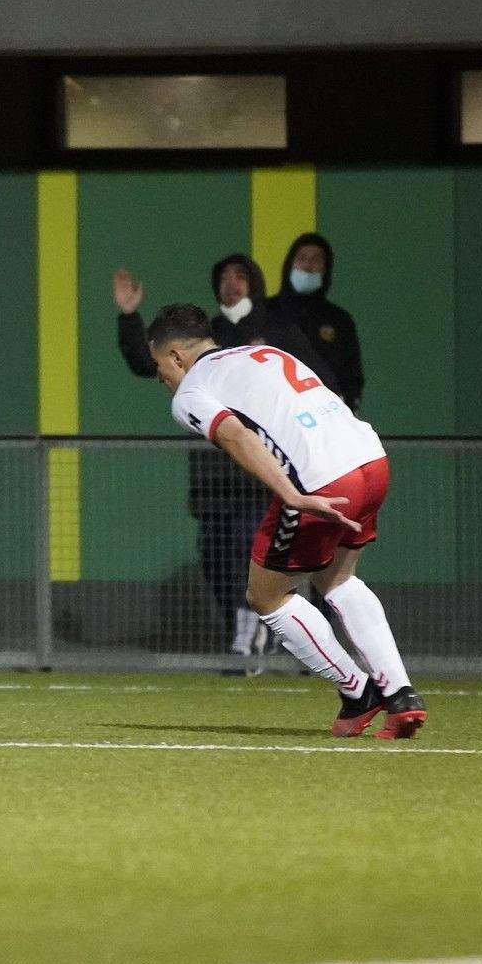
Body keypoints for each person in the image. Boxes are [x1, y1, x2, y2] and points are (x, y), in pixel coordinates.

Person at [145, 302, 425, 739]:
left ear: (177, 356)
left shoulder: (190, 392)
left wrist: (292, 494)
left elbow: (236, 435)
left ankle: (358, 692)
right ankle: (402, 694)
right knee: (338, 580)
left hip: (322, 478)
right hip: (371, 458)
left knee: (266, 596)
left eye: (159, 364)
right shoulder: (263, 353)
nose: (160, 376)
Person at [114, 255, 334, 672]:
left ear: (254, 281)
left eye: (240, 276)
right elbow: (151, 362)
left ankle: (256, 646)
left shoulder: (276, 333)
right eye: (225, 277)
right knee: (218, 561)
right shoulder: (205, 338)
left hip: (261, 474)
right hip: (215, 478)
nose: (232, 284)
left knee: (264, 563)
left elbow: (316, 382)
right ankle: (254, 637)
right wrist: (129, 318)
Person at [271, 232, 364, 410]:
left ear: (326, 269)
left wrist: (348, 407)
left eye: (316, 260)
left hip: (325, 412)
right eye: (302, 258)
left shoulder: (339, 320)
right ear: (290, 265)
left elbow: (351, 375)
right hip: (273, 411)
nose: (308, 265)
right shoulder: (265, 312)